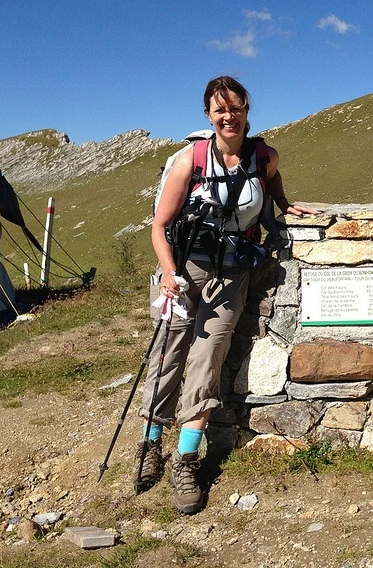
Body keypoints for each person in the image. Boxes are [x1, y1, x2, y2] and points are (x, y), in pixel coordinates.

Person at [135, 76, 318, 514]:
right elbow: (159, 226)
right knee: (170, 350)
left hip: (233, 273)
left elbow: (273, 188)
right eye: (220, 110)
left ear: (247, 111)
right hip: (185, 270)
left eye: (235, 108)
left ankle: (186, 458)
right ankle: (150, 443)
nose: (228, 116)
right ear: (208, 115)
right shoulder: (190, 160)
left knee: (208, 357)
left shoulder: (264, 156)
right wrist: (167, 273)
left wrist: (286, 204)